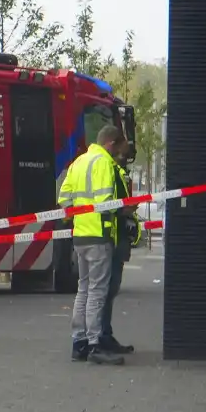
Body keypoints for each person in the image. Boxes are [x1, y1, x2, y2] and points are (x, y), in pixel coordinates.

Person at [57, 125, 134, 366]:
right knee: (98, 293)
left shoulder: (78, 162)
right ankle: (94, 345)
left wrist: (77, 217)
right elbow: (105, 204)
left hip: (80, 235)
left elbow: (64, 200)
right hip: (100, 235)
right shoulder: (103, 164)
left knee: (83, 291)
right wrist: (124, 208)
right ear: (110, 144)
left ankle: (78, 343)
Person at [100, 151, 137, 355]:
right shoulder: (108, 170)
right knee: (106, 289)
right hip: (110, 237)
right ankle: (101, 337)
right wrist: (125, 209)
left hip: (110, 236)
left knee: (106, 290)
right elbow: (110, 205)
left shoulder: (116, 171)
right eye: (123, 149)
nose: (126, 154)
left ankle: (102, 335)